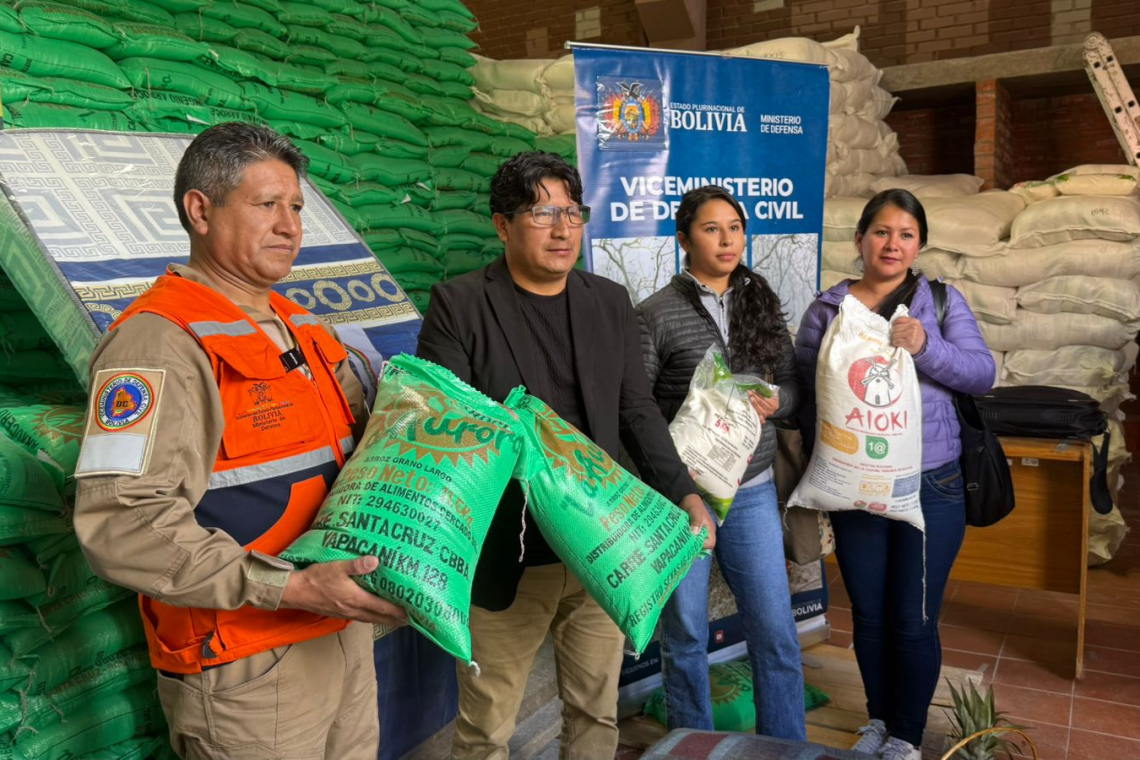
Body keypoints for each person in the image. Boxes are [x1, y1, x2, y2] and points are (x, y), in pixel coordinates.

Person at [73, 123, 407, 760]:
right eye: (266, 205)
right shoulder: (158, 344)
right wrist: (288, 587)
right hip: (248, 664)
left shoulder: (305, 328)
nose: (290, 226)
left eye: (298, 208)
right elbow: (121, 524)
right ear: (200, 210)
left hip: (339, 633)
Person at [416, 151, 715, 760]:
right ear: (502, 225)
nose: (561, 229)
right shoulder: (460, 304)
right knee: (485, 729)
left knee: (595, 712)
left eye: (572, 213)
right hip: (510, 549)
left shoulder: (607, 300)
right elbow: (449, 431)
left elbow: (636, 409)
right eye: (541, 213)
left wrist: (684, 492)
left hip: (602, 547)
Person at [795, 189, 995, 760]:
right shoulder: (827, 308)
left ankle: (906, 736)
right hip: (853, 481)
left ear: (919, 245)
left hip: (930, 484)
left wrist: (926, 346)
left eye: (906, 234)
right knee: (869, 614)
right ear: (860, 239)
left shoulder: (941, 300)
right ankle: (879, 720)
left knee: (913, 617)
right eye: (881, 232)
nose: (892, 244)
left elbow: (983, 374)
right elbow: (805, 387)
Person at [637, 185, 806, 740]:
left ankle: (787, 749)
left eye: (734, 227)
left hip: (753, 489)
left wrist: (779, 401)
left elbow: (793, 388)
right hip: (683, 500)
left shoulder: (760, 301)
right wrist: (676, 486)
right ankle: (694, 746)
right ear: (684, 239)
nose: (727, 238)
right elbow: (634, 407)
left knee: (776, 632)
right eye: (712, 228)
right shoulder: (656, 315)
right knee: (685, 635)